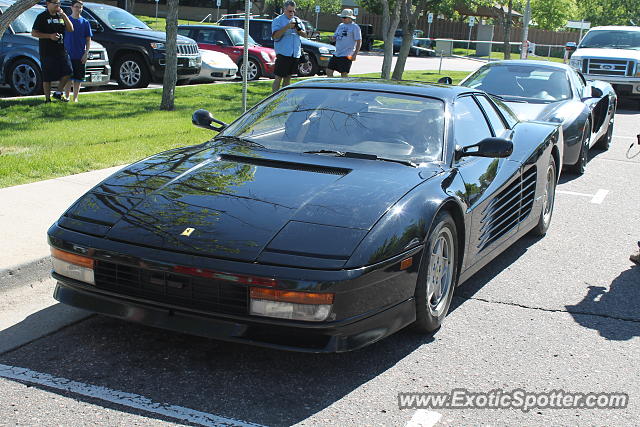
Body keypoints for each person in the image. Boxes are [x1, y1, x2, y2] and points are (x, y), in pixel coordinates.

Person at [31, 0, 74, 103]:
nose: (57, 5)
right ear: (48, 4)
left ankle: (58, 93)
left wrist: (64, 15)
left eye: (58, 3)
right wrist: (49, 36)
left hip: (61, 50)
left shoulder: (60, 16)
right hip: (47, 51)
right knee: (47, 77)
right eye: (54, 3)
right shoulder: (42, 17)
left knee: (68, 72)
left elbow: (71, 29)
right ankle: (47, 99)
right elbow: (34, 33)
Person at [271, 0, 306, 92]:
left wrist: (298, 30)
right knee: (278, 78)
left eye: (294, 11)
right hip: (283, 53)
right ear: (284, 10)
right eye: (290, 11)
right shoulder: (278, 20)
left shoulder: (297, 20)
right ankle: (273, 98)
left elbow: (305, 35)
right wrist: (287, 27)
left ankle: (284, 98)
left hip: (294, 54)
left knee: (288, 78)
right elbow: (275, 36)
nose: (292, 13)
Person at [64, 0, 92, 102]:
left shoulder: (85, 22)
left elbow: (88, 39)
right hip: (67, 54)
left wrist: (86, 53)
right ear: (71, 7)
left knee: (78, 78)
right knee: (67, 78)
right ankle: (66, 96)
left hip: (80, 54)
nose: (78, 9)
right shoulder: (67, 20)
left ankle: (75, 98)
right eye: (76, 7)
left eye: (80, 7)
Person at [327, 9, 361, 78]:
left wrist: (355, 54)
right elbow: (335, 37)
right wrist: (332, 38)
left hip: (347, 54)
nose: (343, 19)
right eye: (342, 17)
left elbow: (359, 41)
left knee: (344, 74)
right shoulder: (340, 25)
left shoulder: (355, 27)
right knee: (329, 71)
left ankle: (344, 87)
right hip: (337, 53)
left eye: (344, 17)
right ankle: (332, 86)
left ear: (350, 18)